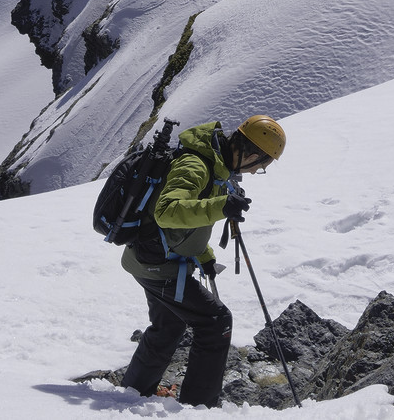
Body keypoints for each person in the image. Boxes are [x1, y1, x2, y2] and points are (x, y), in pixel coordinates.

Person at [119, 114, 287, 407]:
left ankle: (133, 393)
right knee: (215, 322)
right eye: (261, 164)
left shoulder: (216, 166)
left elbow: (187, 226)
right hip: (159, 264)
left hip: (148, 258)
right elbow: (167, 212)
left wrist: (205, 256)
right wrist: (221, 205)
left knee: (168, 327)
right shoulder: (196, 165)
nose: (257, 169)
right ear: (249, 152)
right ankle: (201, 407)